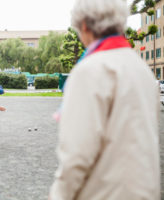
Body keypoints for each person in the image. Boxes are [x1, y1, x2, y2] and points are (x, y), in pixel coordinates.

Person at [49, 0, 160, 199]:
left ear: (84, 25)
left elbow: (77, 155)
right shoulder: (142, 69)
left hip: (104, 192)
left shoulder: (90, 70)